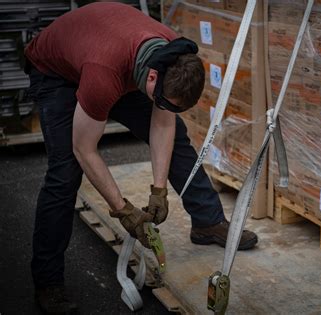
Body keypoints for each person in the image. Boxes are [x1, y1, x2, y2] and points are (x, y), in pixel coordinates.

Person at [24, 2, 258, 313]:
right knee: (64, 174)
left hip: (112, 59)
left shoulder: (171, 58)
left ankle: (207, 222)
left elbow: (163, 121)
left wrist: (158, 191)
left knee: (179, 137)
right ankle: (48, 283)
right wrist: (123, 211)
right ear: (150, 78)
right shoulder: (104, 75)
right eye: (163, 100)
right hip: (55, 72)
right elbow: (85, 149)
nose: (165, 107)